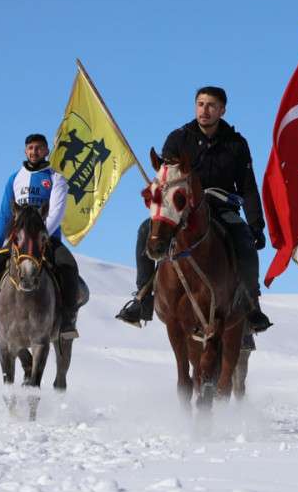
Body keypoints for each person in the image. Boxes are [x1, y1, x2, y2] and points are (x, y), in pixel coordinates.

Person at [115, 86, 271, 340]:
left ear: (222, 110)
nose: (204, 110)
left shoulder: (236, 144)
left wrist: (255, 224)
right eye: (200, 104)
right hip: (184, 207)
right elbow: (167, 176)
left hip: (221, 207)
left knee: (243, 238)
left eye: (211, 105)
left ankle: (251, 303)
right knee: (146, 229)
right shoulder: (178, 138)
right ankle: (142, 298)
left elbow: (248, 186)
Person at [0, 133, 81, 343]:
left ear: (46, 151)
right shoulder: (14, 178)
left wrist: (41, 237)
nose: (34, 151)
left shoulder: (56, 178)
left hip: (47, 240)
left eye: (39, 148)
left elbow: (57, 212)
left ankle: (67, 322)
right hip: (19, 242)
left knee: (68, 267)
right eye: (31, 148)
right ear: (25, 151)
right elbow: (5, 213)